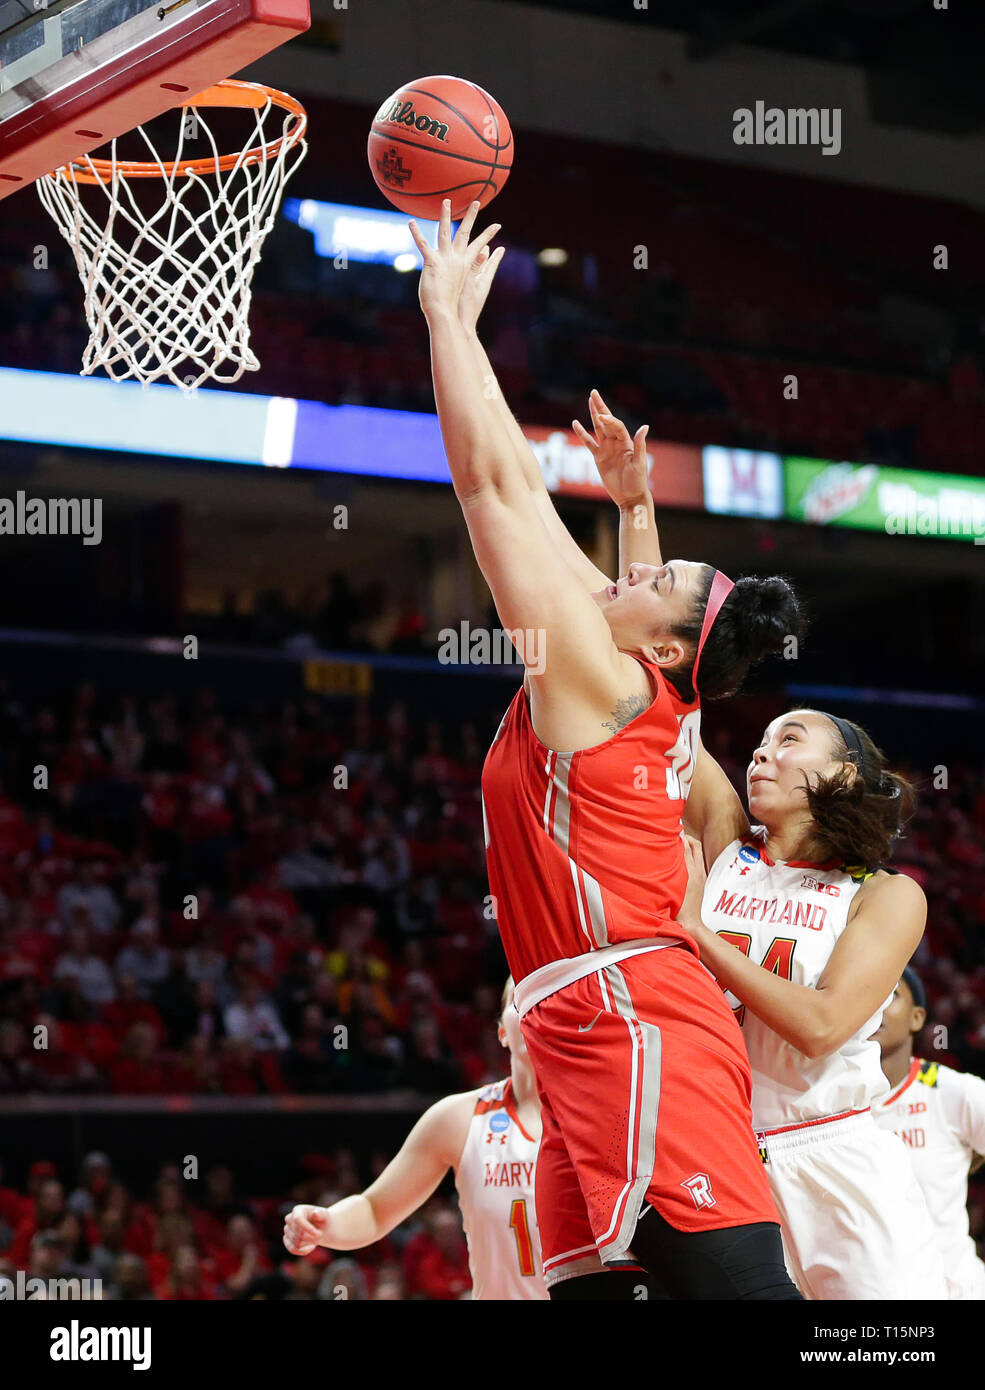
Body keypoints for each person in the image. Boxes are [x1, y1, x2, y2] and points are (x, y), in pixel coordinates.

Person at [407, 201, 803, 1300]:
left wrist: (445, 319)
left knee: (740, 1293)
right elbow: (559, 521)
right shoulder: (645, 686)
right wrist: (632, 510)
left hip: (637, 1021)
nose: (630, 570)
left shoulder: (596, 675)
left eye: (656, 579)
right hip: (581, 1018)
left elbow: (493, 491)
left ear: (671, 643)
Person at [677, 713, 948, 1299]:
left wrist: (700, 933)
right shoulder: (726, 845)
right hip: (723, 1164)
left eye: (789, 740)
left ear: (844, 775)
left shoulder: (884, 893)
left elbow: (822, 1026)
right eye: (761, 741)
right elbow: (668, 724)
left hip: (834, 1159)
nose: (760, 753)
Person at [283, 979, 547, 1299]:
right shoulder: (458, 1118)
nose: (534, 1009)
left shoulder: (610, 1118)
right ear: (501, 1031)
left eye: (545, 996)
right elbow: (374, 1210)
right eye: (521, 1001)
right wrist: (326, 1223)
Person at [872, 966, 985, 1299]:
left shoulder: (954, 1092)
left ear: (917, 1018)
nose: (874, 1005)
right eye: (864, 994)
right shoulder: (818, 1099)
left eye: (889, 995)